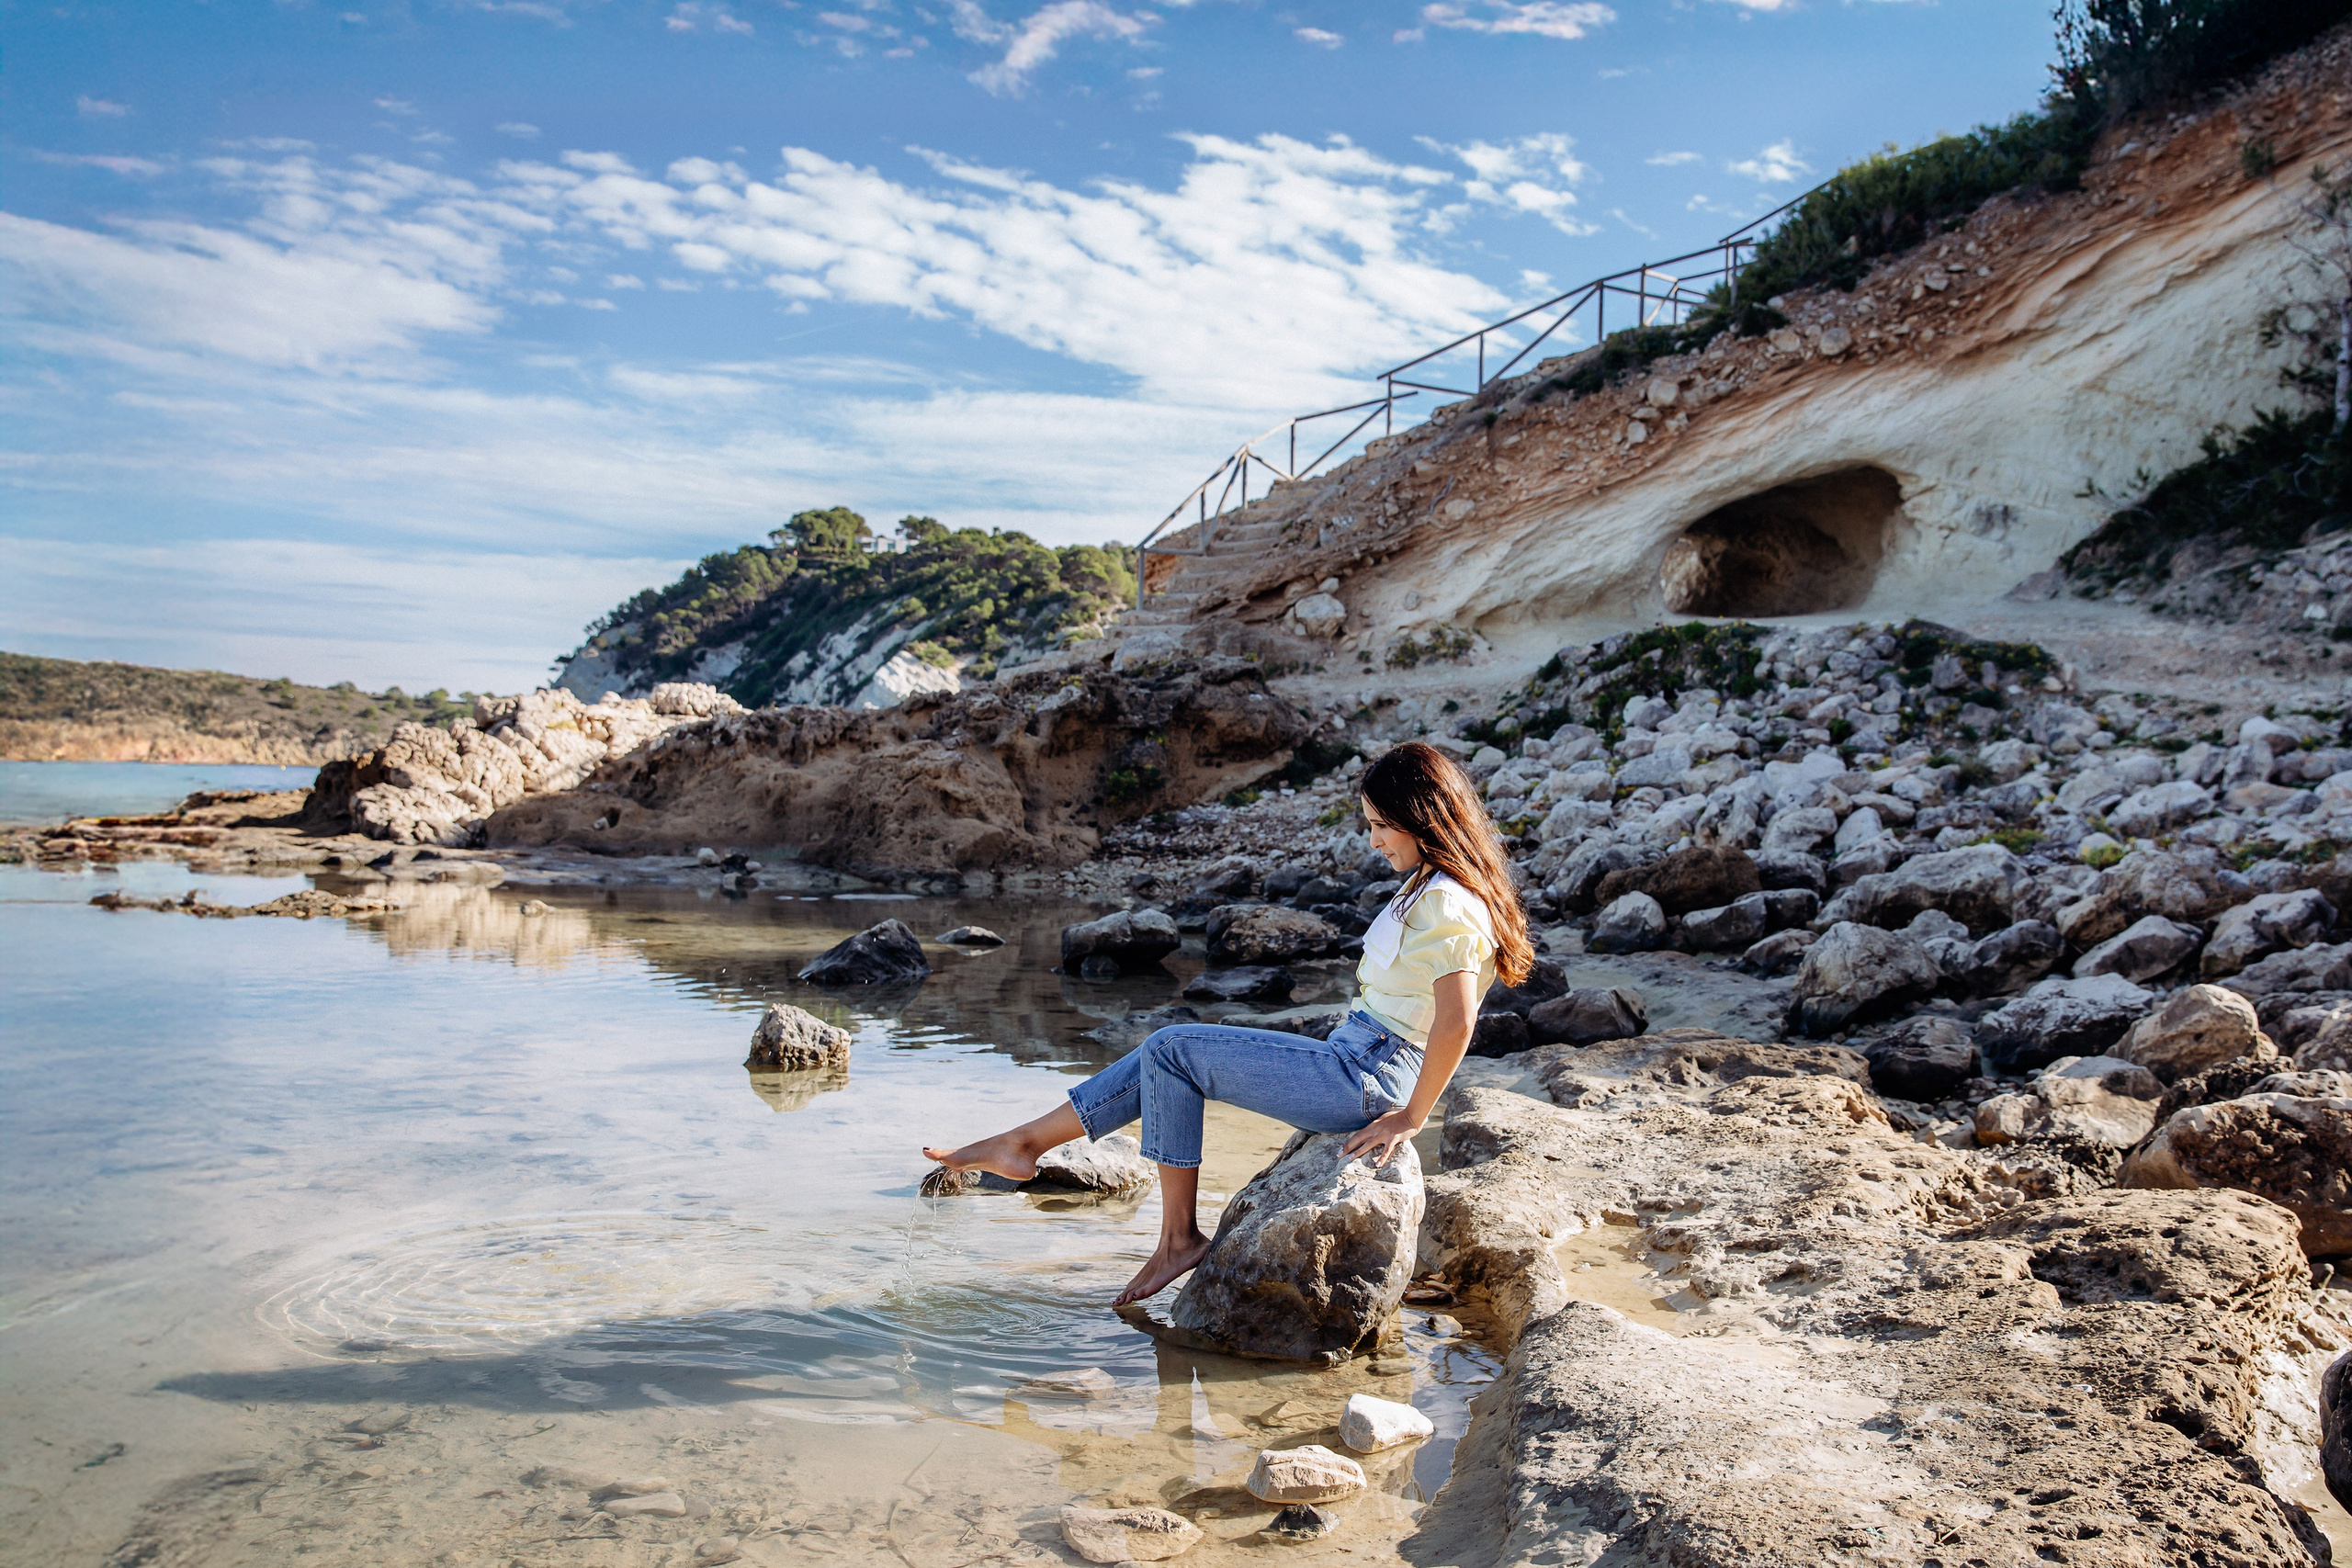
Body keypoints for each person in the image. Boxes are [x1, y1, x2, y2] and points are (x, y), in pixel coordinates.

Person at [922, 739, 1534, 1308]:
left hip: (1365, 1073)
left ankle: (1177, 1238)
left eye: (1379, 824)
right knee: (1164, 1056)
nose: (1372, 840)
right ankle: (1024, 1144)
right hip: (1357, 1058)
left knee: (1172, 1049)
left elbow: (1456, 1021)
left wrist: (1412, 1115)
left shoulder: (1449, 900)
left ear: (1421, 816)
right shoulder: (1432, 887)